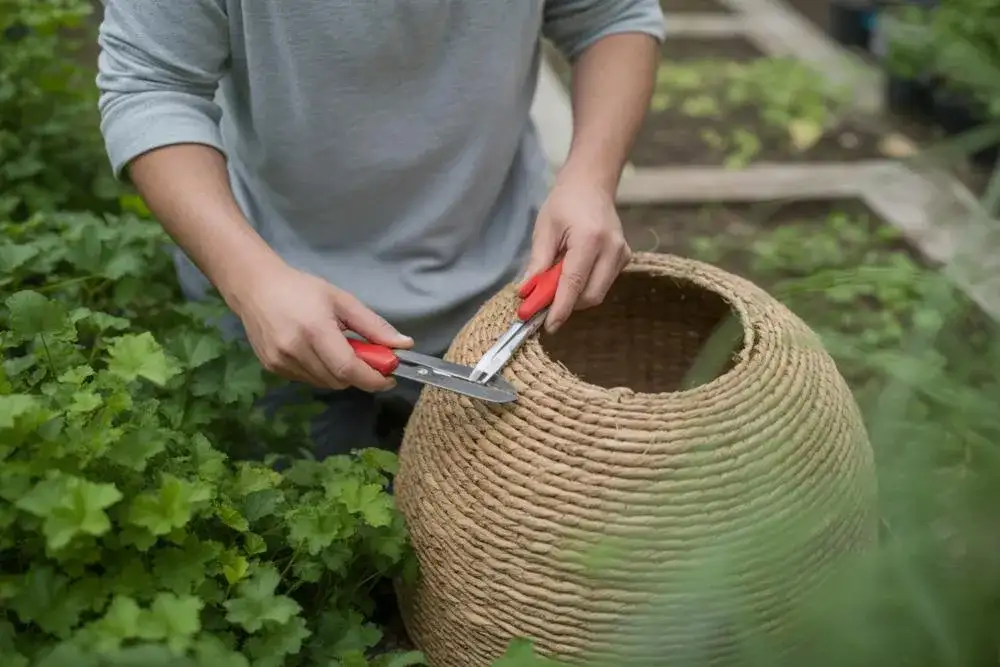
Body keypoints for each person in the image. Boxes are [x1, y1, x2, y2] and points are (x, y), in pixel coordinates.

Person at [95, 0, 665, 458]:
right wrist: (249, 280)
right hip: (276, 305)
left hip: (501, 291)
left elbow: (613, 16)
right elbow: (150, 85)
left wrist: (589, 178)